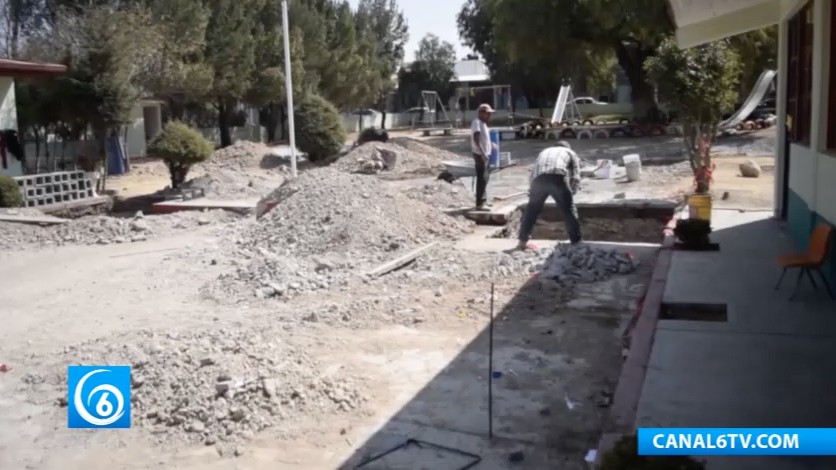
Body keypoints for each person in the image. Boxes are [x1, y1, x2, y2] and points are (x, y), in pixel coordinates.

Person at [517, 140, 582, 250]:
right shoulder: (570, 152)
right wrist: (571, 192)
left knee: (531, 211)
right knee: (569, 210)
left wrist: (531, 190)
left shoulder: (544, 152)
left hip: (538, 179)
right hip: (557, 176)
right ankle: (576, 242)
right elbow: (575, 175)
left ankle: (522, 242)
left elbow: (533, 173)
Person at [470, 103, 495, 210]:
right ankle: (480, 204)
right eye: (488, 113)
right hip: (480, 155)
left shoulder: (483, 124)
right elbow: (476, 138)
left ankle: (483, 200)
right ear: (481, 113)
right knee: (482, 178)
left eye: (490, 114)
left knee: (485, 178)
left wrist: (492, 146)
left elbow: (484, 139)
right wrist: (483, 153)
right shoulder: (476, 122)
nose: (489, 116)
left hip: (485, 155)